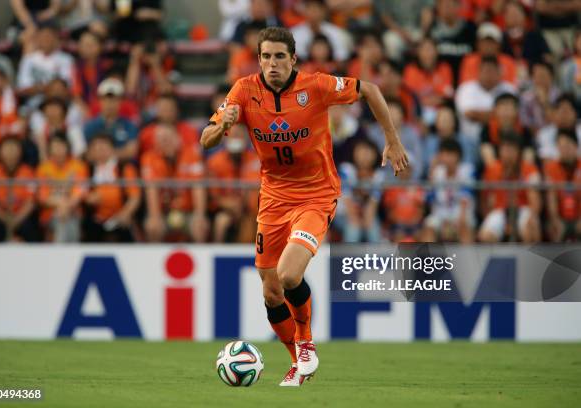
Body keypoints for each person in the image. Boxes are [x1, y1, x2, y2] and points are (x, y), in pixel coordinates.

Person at [200, 27, 408, 386]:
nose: (272, 64)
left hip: (316, 194)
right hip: (273, 197)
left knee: (289, 275)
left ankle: (306, 344)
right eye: (266, 56)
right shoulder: (244, 91)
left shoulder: (316, 86)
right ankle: (298, 362)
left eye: (280, 56)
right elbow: (206, 140)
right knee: (270, 289)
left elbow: (370, 90)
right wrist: (222, 129)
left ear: (293, 59)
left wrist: (391, 140)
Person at [479, 133, 541, 243]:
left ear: (518, 151)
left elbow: (535, 200)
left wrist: (532, 218)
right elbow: (485, 199)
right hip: (500, 210)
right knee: (485, 235)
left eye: (511, 149)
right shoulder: (492, 169)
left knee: (530, 230)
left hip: (523, 209)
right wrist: (487, 218)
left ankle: (529, 259)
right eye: (504, 149)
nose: (507, 153)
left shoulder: (530, 169)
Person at [82, 133, 141, 242]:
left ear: (112, 149)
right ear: (91, 152)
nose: (100, 151)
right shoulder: (87, 169)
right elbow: (81, 192)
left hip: (120, 216)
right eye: (97, 148)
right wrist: (88, 198)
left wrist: (126, 213)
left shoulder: (125, 168)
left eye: (104, 147)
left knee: (126, 230)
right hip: (95, 219)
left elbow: (135, 197)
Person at [0, 137, 40, 242]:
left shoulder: (28, 172)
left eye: (14, 148)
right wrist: (5, 219)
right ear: (0, 152)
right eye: (7, 148)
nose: (10, 152)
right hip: (1, 216)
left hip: (22, 216)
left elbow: (30, 202)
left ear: (20, 151)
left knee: (31, 229)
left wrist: (16, 219)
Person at [36, 133, 87, 242]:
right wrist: (62, 205)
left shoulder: (78, 166)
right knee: (61, 220)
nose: (58, 149)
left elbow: (79, 192)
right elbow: (43, 196)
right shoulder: (43, 168)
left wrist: (66, 206)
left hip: (73, 211)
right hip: (49, 213)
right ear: (49, 149)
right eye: (55, 146)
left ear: (67, 147)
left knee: (67, 221)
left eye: (61, 145)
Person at [423, 138, 476, 243]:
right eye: (442, 154)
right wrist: (431, 174)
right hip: (441, 212)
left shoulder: (467, 170)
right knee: (429, 229)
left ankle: (469, 258)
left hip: (461, 212)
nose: (444, 157)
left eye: (448, 154)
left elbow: (467, 195)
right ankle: (429, 259)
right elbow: (430, 198)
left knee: (464, 228)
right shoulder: (437, 171)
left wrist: (459, 219)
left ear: (457, 156)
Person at [84, 78, 138, 161]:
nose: (110, 104)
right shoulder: (90, 126)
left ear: (121, 102)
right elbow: (86, 153)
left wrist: (106, 154)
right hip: (97, 170)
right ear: (100, 101)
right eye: (106, 99)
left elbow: (132, 151)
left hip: (121, 170)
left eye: (114, 100)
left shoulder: (129, 125)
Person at [543, 129, 581, 242]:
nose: (565, 150)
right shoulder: (551, 167)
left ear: (575, 146)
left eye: (568, 145)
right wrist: (555, 219)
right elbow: (551, 196)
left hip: (578, 215)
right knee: (554, 230)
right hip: (559, 216)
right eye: (561, 146)